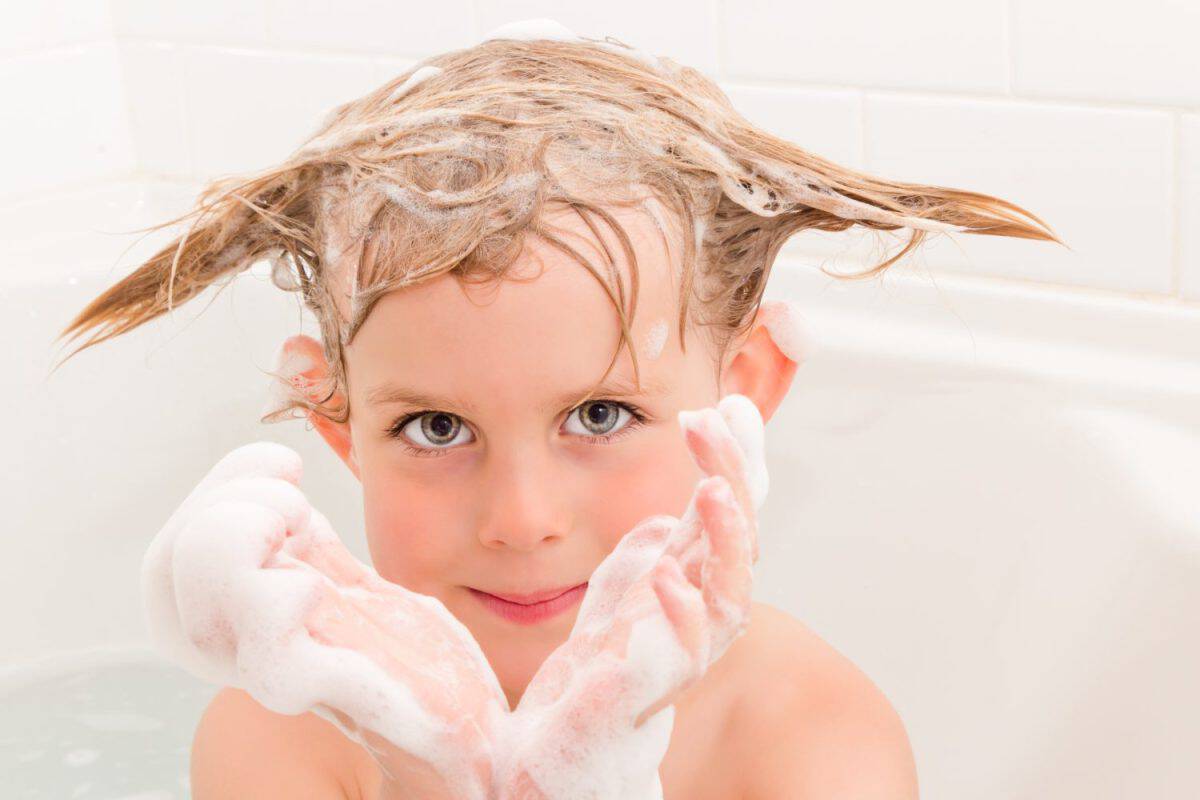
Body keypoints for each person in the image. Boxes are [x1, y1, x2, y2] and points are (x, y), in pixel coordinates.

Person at [55, 19, 1062, 798]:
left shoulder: (804, 736)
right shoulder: (286, 726)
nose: (521, 516)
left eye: (598, 414)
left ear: (742, 393)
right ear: (337, 422)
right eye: (436, 428)